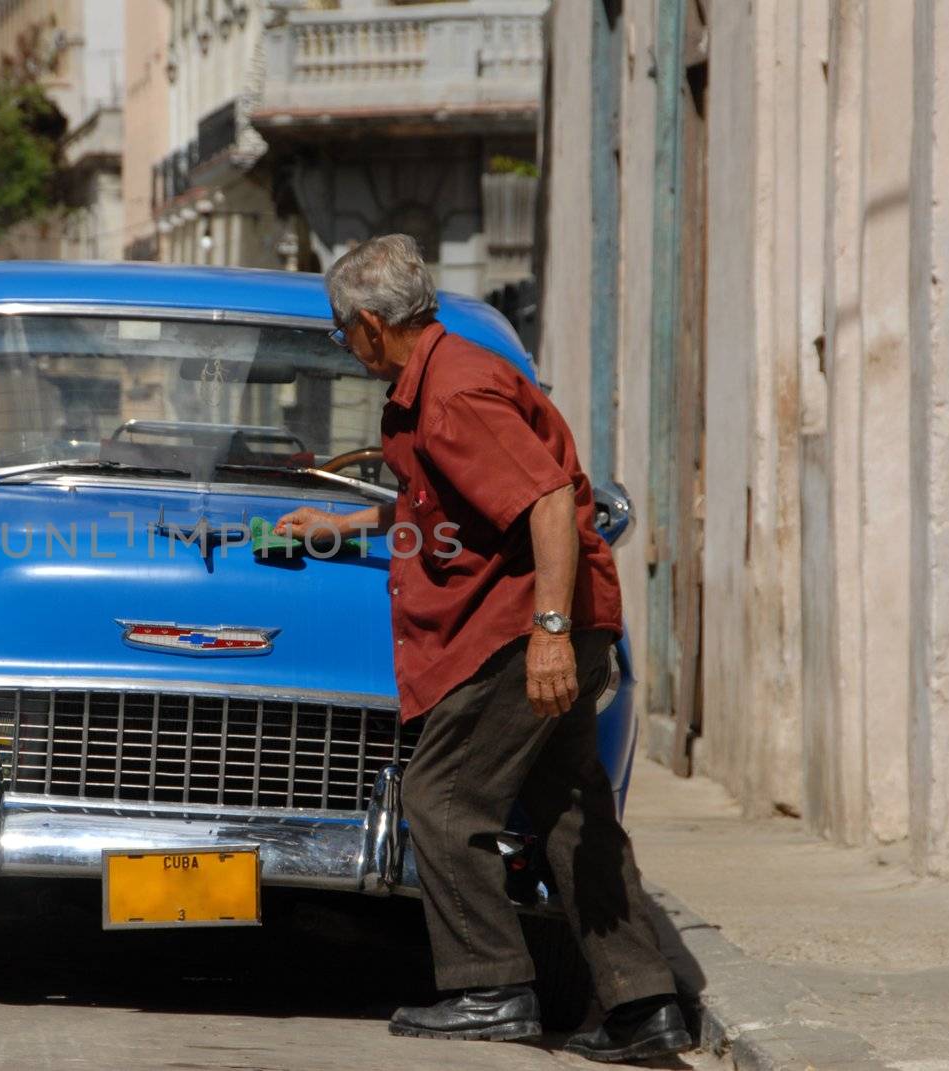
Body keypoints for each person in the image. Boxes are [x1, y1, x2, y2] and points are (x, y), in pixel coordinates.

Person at [275, 235, 691, 1064]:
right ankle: (645, 1006)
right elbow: (446, 506)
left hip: (515, 628)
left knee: (440, 795)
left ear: (366, 323)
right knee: (572, 816)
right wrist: (348, 523)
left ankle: (490, 986)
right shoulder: (433, 377)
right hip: (531, 621)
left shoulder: (455, 389)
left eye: (338, 332)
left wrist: (548, 636)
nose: (343, 346)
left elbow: (543, 503)